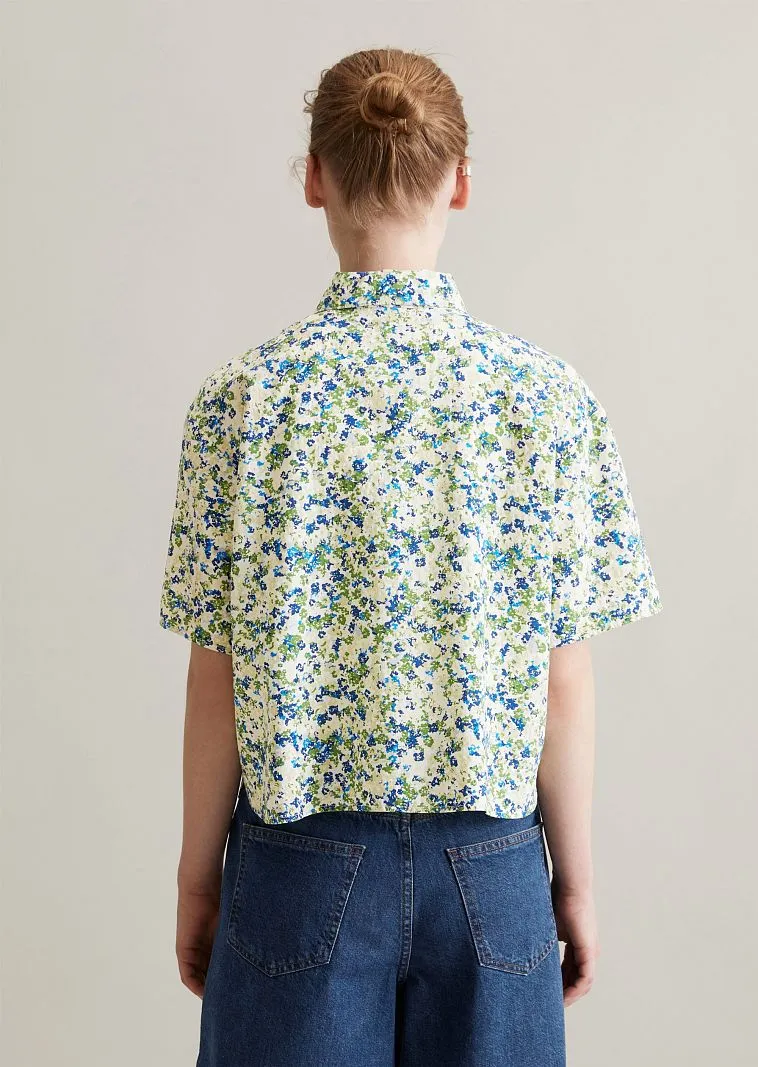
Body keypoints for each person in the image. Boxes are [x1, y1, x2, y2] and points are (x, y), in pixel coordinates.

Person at [159, 46, 662, 1067]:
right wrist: (572, 883)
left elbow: (218, 673)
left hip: (296, 865)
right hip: (491, 862)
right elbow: (563, 678)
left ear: (314, 178)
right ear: (460, 182)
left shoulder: (244, 402)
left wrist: (196, 877)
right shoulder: (545, 401)